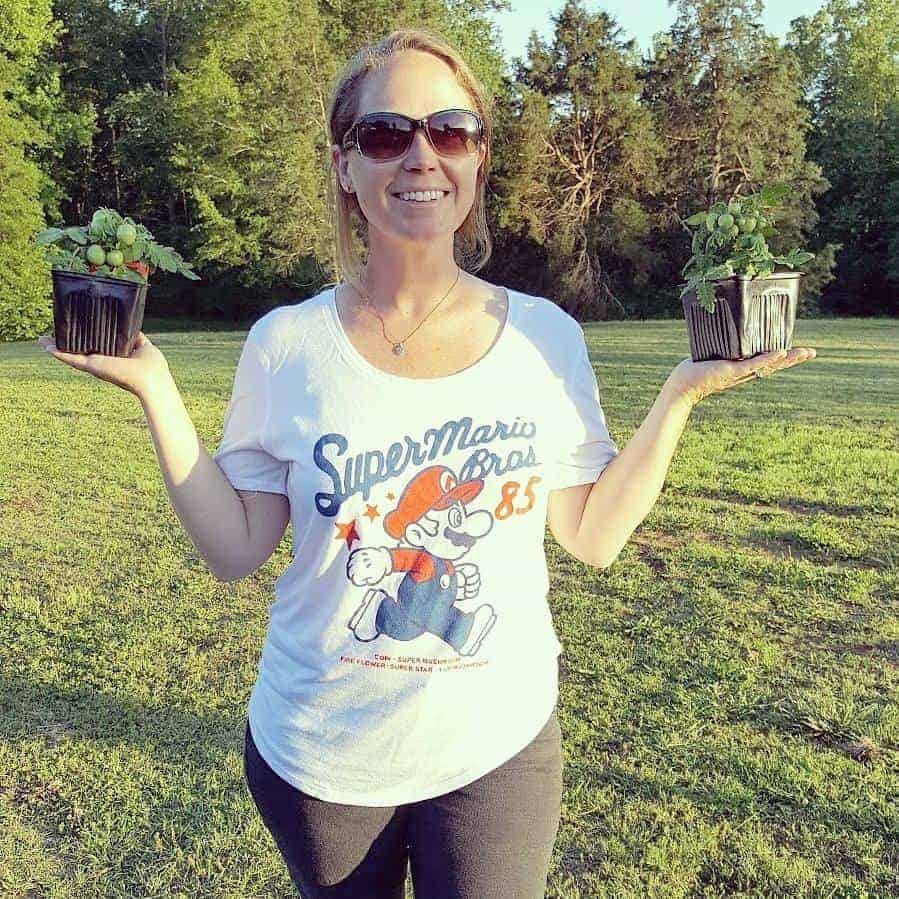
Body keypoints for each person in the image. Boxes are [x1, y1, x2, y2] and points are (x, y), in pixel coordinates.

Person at [37, 26, 817, 899]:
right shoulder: (286, 344)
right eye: (385, 133)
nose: (420, 155)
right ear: (345, 166)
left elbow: (592, 535)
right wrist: (156, 391)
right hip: (322, 748)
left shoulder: (544, 339)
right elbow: (236, 548)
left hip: (497, 743)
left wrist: (675, 395)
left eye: (449, 131)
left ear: (478, 159)